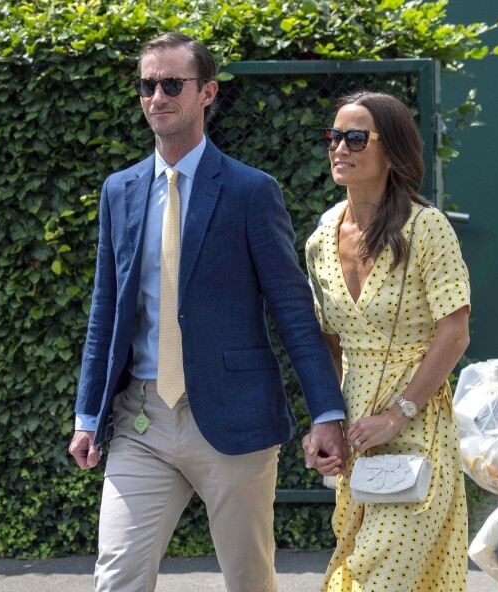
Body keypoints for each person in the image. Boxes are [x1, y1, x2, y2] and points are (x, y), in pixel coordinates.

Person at [68, 32, 349, 592]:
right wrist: (86, 415)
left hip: (233, 417)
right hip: (139, 418)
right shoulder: (119, 191)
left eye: (173, 83)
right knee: (117, 576)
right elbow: (107, 310)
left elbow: (293, 310)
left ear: (207, 93)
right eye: (148, 84)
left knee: (249, 579)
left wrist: (326, 412)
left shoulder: (250, 191)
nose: (157, 96)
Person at [302, 90, 471, 591]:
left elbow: (455, 331)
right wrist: (325, 421)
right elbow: (327, 342)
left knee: (380, 573)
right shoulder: (320, 238)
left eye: (356, 137)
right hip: (355, 428)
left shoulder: (427, 228)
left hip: (418, 429)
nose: (340, 147)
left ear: (392, 151)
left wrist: (399, 413)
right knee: (355, 560)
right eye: (334, 136)